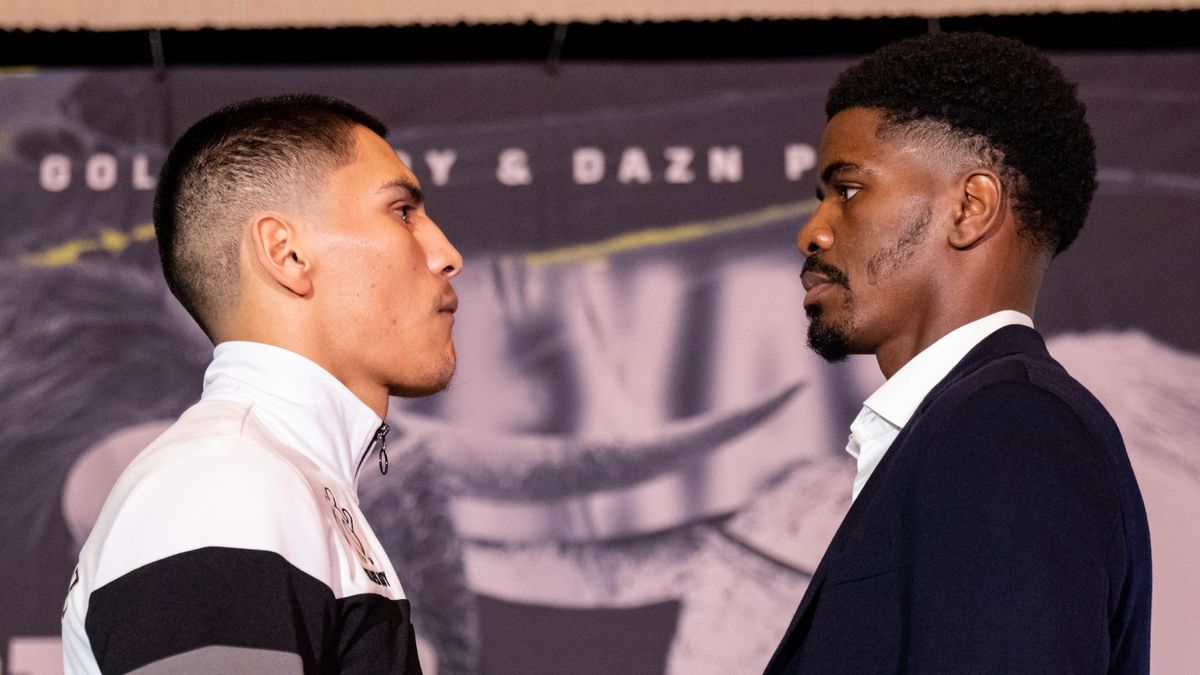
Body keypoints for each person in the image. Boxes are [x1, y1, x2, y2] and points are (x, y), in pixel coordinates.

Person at [764, 32, 1151, 673]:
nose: (813, 231)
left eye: (849, 190)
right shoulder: (967, 429)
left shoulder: (1011, 430)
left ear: (970, 208)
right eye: (820, 198)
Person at [62, 94, 463, 674]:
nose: (447, 254)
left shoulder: (273, 480)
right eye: (402, 211)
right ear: (287, 253)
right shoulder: (223, 483)